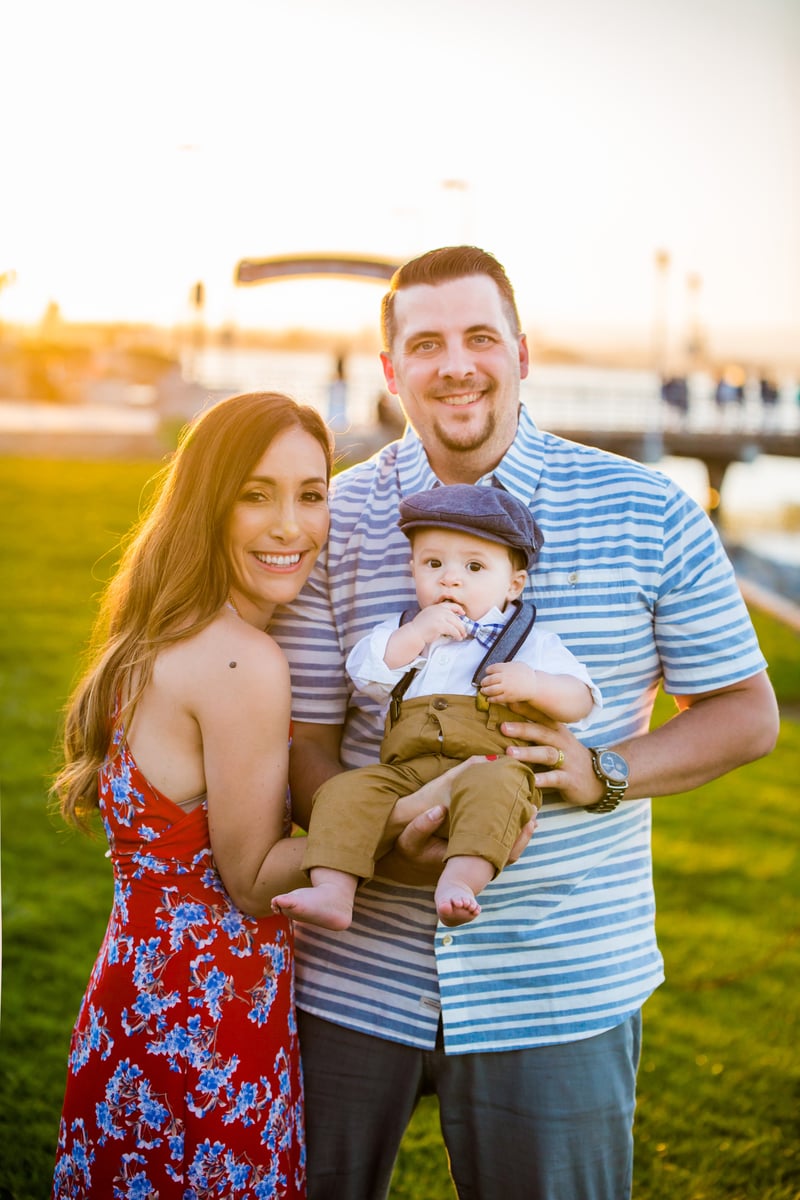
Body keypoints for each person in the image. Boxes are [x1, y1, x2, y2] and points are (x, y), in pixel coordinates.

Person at [268, 246, 779, 1200]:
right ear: (391, 372)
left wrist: (604, 771)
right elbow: (304, 732)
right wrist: (370, 831)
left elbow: (745, 714)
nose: (455, 364)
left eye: (478, 337)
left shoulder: (650, 511)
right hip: (349, 979)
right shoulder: (336, 516)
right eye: (425, 343)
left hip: (560, 983)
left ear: (522, 353)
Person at [49, 391, 336, 1200]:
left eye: (311, 495)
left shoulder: (158, 629)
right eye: (256, 494)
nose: (291, 526)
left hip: (131, 1008)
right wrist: (392, 819)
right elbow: (251, 877)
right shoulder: (244, 661)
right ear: (210, 504)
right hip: (205, 1032)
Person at [273, 483, 598, 929]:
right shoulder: (407, 630)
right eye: (433, 564)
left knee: (500, 788)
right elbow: (366, 673)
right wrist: (415, 636)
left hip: (487, 762)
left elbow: (581, 697)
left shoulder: (530, 641)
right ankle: (333, 890)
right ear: (413, 570)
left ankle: (459, 879)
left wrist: (535, 683)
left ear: (513, 584)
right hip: (406, 771)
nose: (450, 578)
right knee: (342, 792)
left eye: (474, 566)